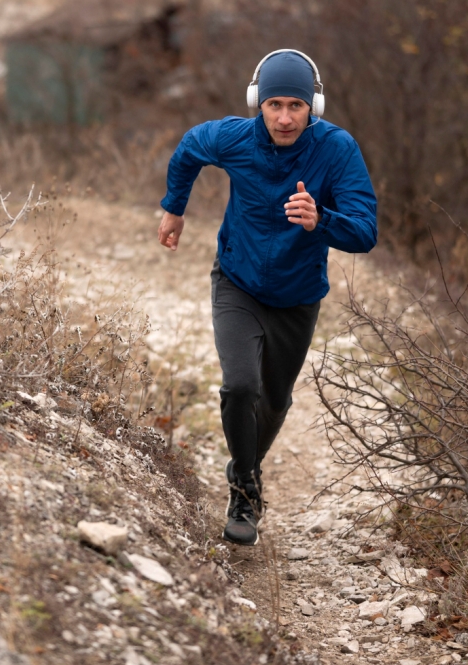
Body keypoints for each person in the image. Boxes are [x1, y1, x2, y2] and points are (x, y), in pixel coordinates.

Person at [157, 50, 377, 546]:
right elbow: (191, 147)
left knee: (274, 402)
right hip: (238, 280)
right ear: (257, 102)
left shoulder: (337, 150)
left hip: (298, 297)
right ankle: (244, 493)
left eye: (295, 106)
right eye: (273, 104)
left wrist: (323, 219)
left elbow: (366, 231)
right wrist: (175, 208)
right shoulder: (235, 137)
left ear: (312, 107)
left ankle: (245, 467)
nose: (283, 117)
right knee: (240, 386)